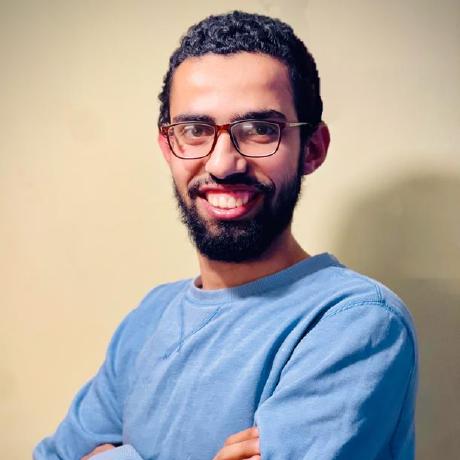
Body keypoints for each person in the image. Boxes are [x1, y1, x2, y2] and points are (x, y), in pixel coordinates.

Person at [34, 10, 418, 460]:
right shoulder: (148, 318)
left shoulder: (355, 323)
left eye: (259, 130)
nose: (222, 164)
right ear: (168, 148)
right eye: (195, 131)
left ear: (312, 149)